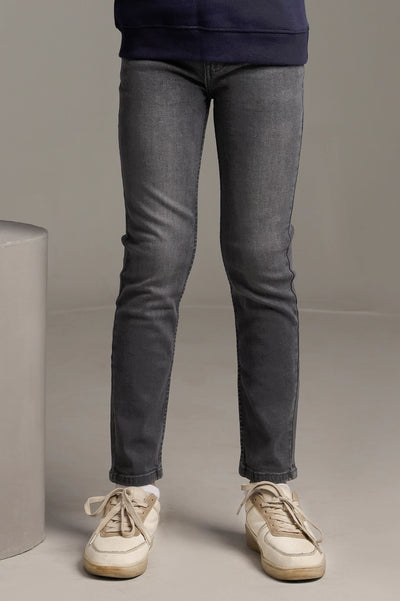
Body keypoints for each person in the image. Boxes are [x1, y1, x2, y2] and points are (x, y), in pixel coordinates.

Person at [82, 0, 326, 581]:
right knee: (153, 263)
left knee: (263, 265)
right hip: (158, 40)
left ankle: (271, 486)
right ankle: (133, 490)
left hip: (265, 38)